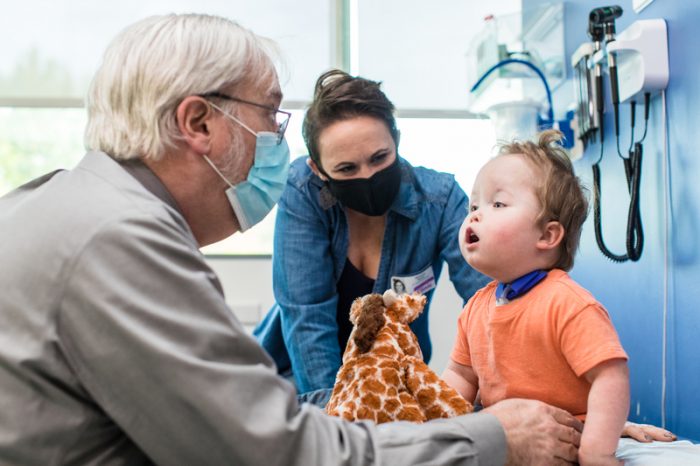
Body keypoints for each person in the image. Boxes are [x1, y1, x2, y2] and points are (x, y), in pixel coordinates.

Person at [0, 13, 589, 466]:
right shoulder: (120, 241)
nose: (277, 142)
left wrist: (564, 396)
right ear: (199, 123)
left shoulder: (69, 206)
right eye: (271, 114)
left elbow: (501, 300)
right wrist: (490, 436)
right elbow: (278, 449)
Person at [254, 69, 489, 403]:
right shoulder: (302, 191)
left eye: (380, 157)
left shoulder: (441, 199)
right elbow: (308, 318)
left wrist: (490, 394)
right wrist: (337, 423)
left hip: (393, 381)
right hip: (300, 382)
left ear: (397, 141)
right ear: (318, 169)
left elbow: (489, 301)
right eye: (347, 169)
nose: (368, 176)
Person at [442, 130, 675, 465]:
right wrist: (437, 430)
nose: (475, 215)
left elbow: (611, 376)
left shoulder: (566, 303)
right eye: (474, 205)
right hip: (508, 446)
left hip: (563, 446)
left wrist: (597, 450)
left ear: (547, 235)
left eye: (497, 204)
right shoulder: (476, 307)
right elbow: (460, 378)